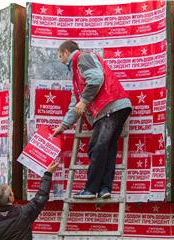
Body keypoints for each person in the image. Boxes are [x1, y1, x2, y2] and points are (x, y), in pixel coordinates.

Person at [53, 40, 132, 200]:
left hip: (109, 107)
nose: (61, 60)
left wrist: (85, 100)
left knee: (96, 146)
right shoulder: (76, 73)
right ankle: (104, 188)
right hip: (115, 107)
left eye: (60, 56)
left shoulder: (82, 58)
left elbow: (96, 78)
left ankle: (90, 189)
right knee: (107, 149)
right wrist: (64, 125)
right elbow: (76, 104)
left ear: (66, 53)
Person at [0, 161, 59, 240]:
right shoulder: (24, 212)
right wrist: (48, 174)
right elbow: (41, 197)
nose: (13, 193)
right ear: (10, 198)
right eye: (11, 192)